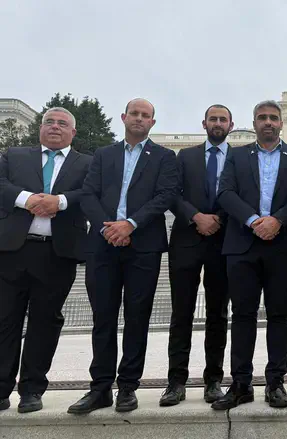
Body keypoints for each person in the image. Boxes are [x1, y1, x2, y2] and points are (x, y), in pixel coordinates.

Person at [68, 98, 179, 414]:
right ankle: (100, 388)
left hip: (142, 245)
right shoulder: (104, 155)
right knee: (103, 318)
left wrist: (130, 224)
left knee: (137, 317)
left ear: (152, 123)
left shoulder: (163, 157)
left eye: (146, 116)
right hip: (103, 245)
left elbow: (165, 196)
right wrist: (108, 228)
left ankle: (128, 386)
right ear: (124, 117)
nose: (139, 119)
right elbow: (88, 194)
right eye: (135, 114)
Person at [210, 100, 287, 410]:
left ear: (281, 123)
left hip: (282, 244)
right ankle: (240, 383)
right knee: (242, 315)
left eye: (273, 118)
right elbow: (225, 193)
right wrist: (254, 221)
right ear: (254, 123)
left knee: (280, 314)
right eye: (262, 118)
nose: (268, 122)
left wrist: (277, 221)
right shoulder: (236, 156)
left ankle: (275, 382)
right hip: (243, 244)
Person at [0, 108, 91, 413]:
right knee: (4, 320)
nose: (55, 127)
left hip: (56, 254)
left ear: (72, 133)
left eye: (62, 123)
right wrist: (28, 200)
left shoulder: (87, 164)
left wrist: (60, 202)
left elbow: (90, 193)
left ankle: (32, 390)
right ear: (40, 128)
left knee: (45, 322)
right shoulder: (14, 155)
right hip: (12, 250)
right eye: (49, 122)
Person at [160, 105, 233, 407]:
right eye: (213, 119)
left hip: (224, 240)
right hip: (187, 240)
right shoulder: (185, 156)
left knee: (218, 314)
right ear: (204, 124)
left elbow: (245, 194)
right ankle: (176, 381)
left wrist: (218, 219)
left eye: (223, 119)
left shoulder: (239, 158)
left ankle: (213, 380)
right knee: (181, 314)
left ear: (231, 125)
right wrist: (196, 216)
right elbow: (172, 194)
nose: (217, 123)